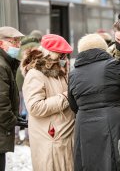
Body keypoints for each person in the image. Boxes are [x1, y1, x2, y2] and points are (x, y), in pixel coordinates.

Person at [68, 34, 120, 171]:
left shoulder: (73, 73)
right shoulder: (111, 65)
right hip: (111, 120)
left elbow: (73, 104)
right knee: (114, 162)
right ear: (104, 49)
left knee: (87, 162)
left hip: (83, 124)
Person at [22, 34, 75, 170]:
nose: (64, 58)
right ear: (50, 54)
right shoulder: (35, 74)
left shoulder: (60, 71)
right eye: (61, 54)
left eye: (65, 55)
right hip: (51, 137)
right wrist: (65, 97)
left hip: (63, 135)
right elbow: (35, 107)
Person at [0, 26, 24, 171]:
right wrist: (11, 121)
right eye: (14, 42)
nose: (18, 46)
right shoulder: (2, 66)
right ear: (1, 43)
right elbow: (1, 103)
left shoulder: (6, 63)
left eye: (19, 42)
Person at [15, 35, 41, 146]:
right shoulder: (38, 48)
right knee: (30, 111)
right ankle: (28, 138)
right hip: (30, 83)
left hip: (17, 82)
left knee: (17, 111)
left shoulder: (20, 48)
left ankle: (15, 137)